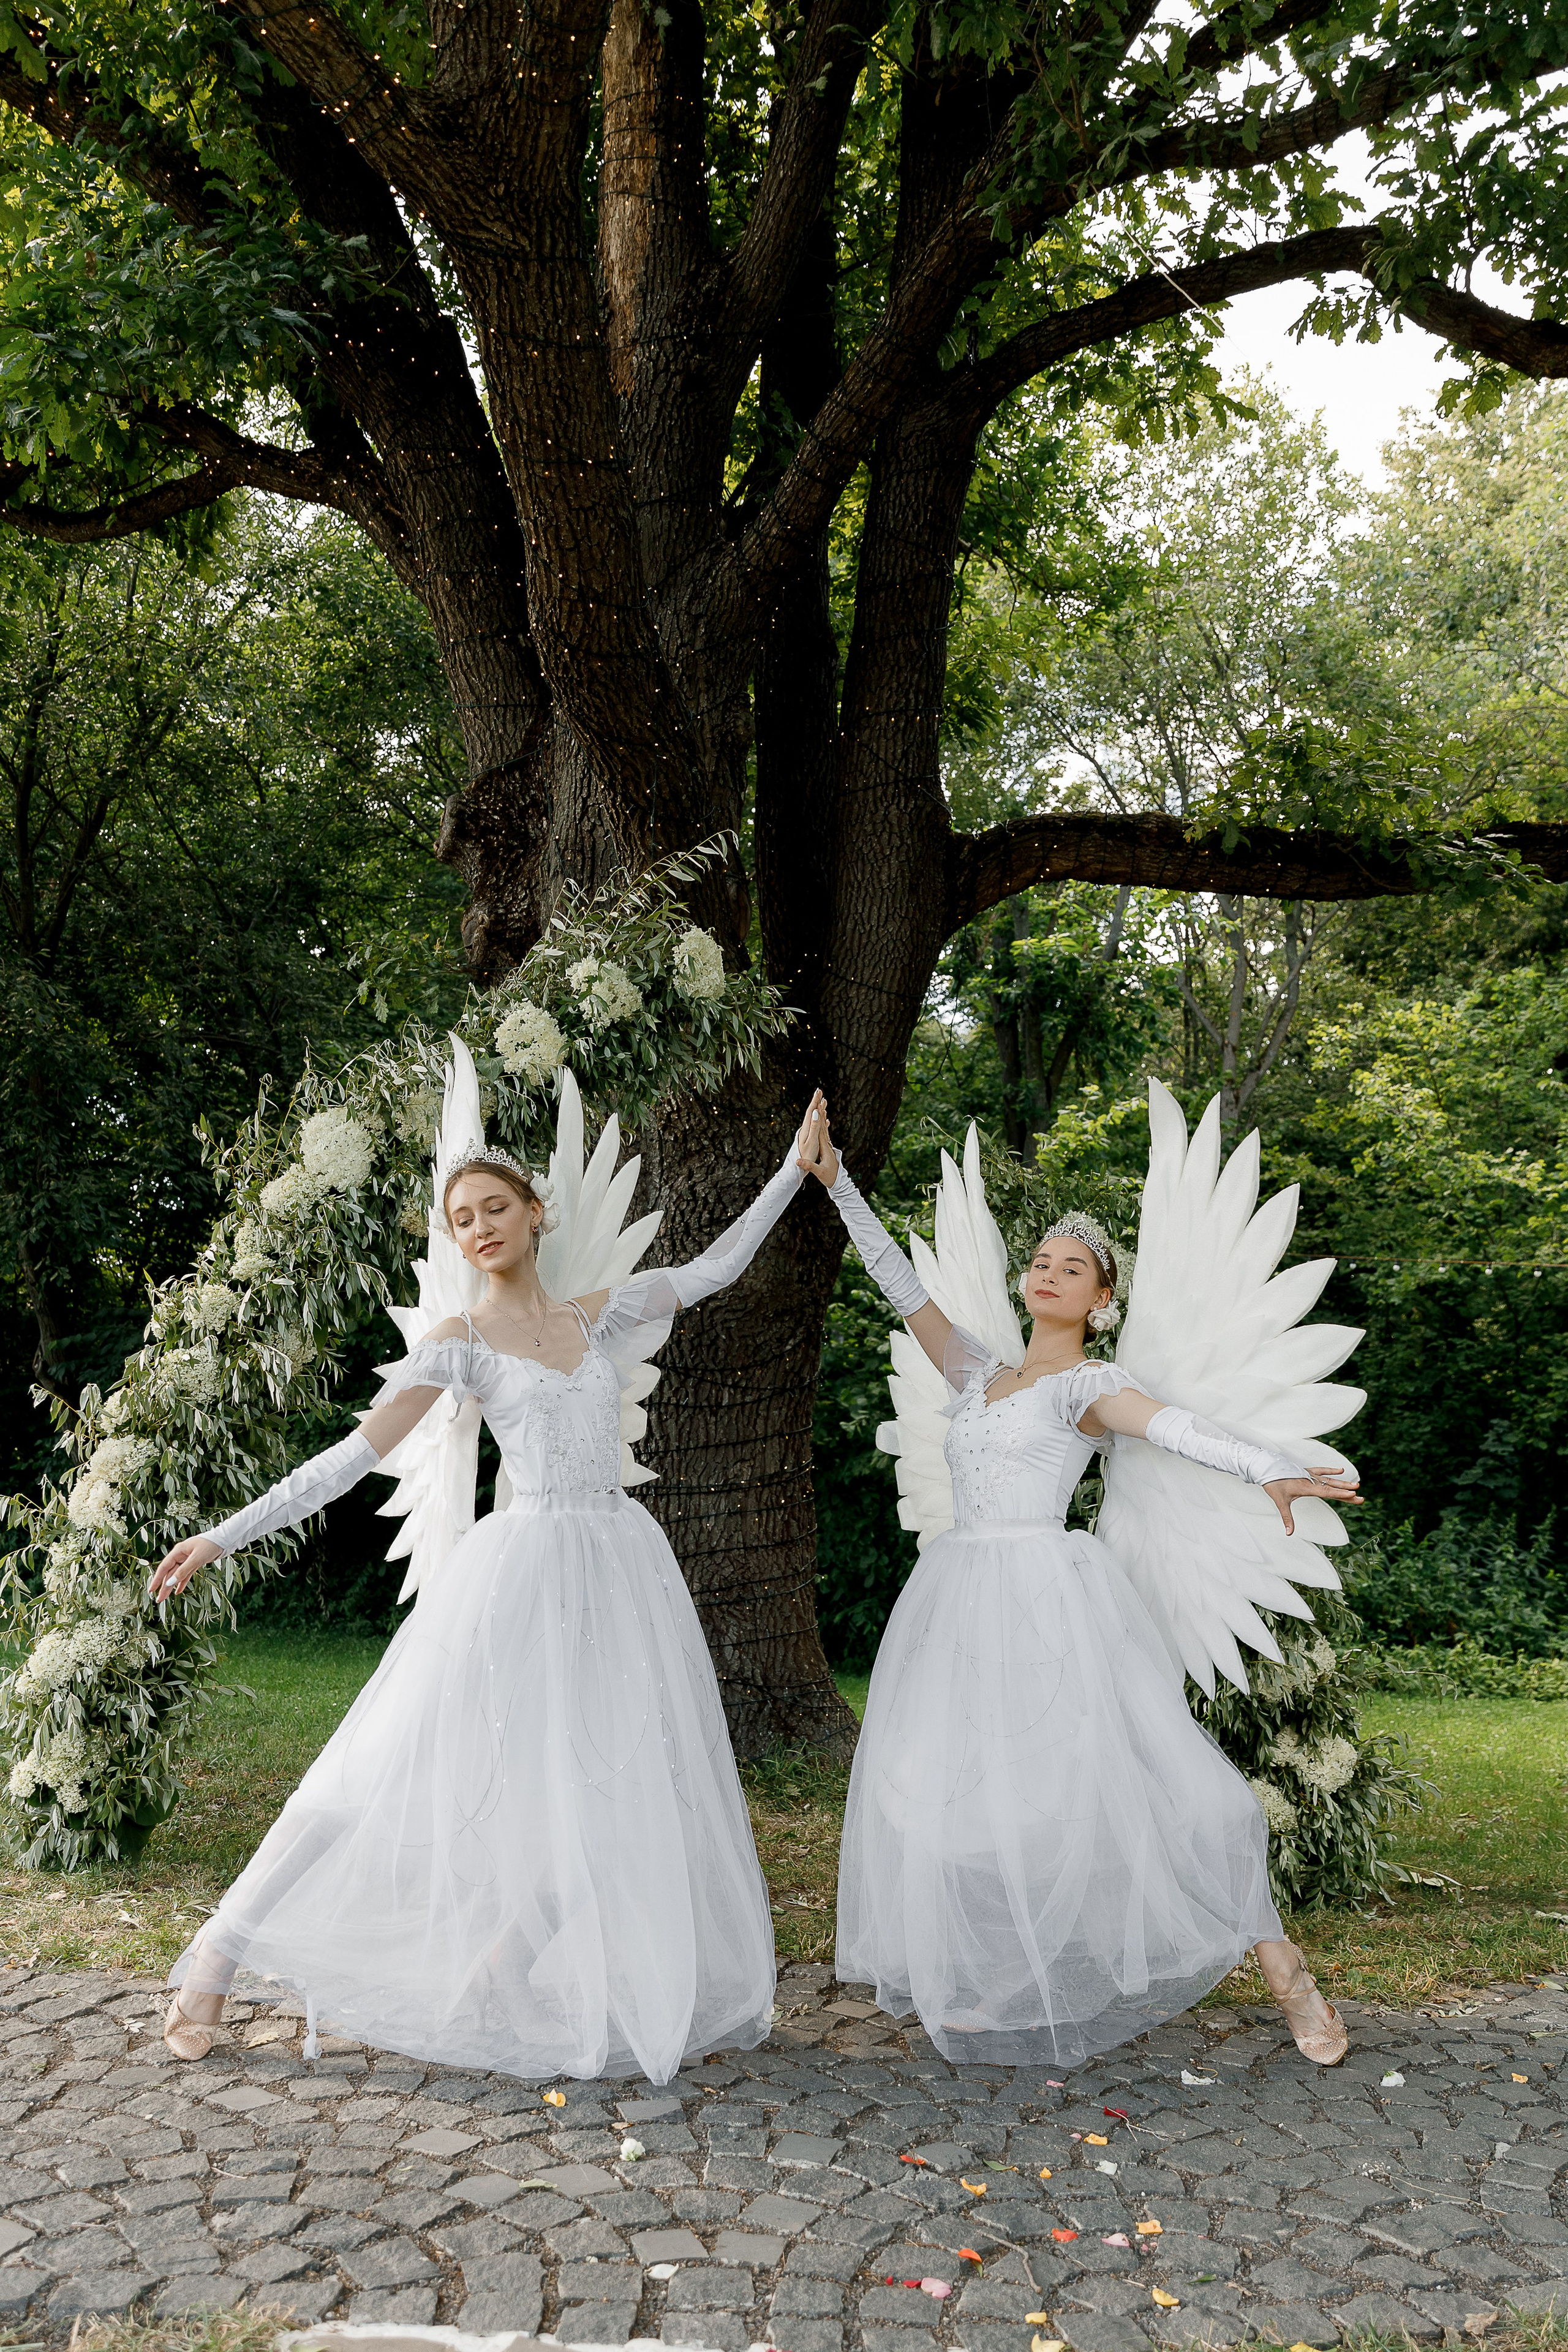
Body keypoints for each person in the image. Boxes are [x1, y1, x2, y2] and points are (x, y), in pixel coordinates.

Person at [148, 1098, 829, 2085]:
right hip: (520, 1574)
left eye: (494, 1207)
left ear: (535, 1212)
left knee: (611, 1775)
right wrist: (225, 1532)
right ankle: (218, 1954)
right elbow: (351, 1458)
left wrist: (793, 1170)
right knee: (380, 1762)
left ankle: (503, 1962)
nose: (480, 1227)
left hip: (619, 1571)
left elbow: (717, 1269)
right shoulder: (457, 1343)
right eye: (462, 1218)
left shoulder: (600, 1313)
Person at [796, 1101, 1359, 2070]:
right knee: (966, 1792)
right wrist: (836, 1179)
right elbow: (898, 1283)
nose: (1050, 1272)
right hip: (959, 1598)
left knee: (1162, 1785)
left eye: (1073, 1267)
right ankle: (1000, 1975)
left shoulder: (1085, 1385)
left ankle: (1281, 1963)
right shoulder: (977, 1373)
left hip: (1050, 1597)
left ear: (1100, 1300)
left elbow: (1177, 1426)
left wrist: (1268, 1465)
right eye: (1042, 1261)